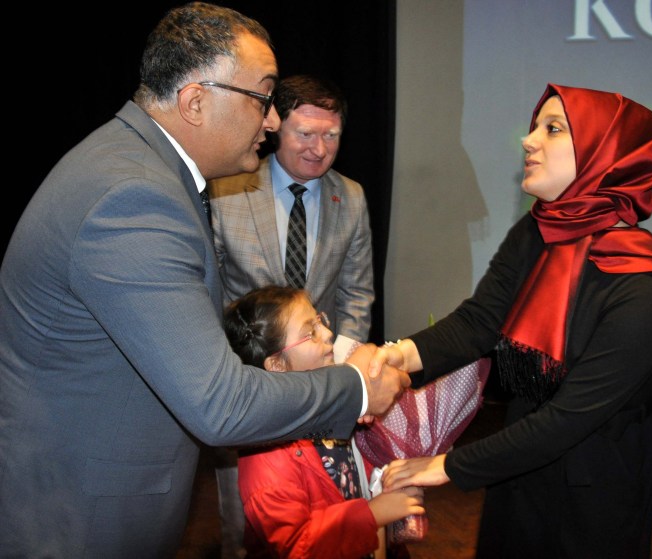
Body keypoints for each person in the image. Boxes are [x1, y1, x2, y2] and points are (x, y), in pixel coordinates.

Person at [0, 3, 410, 558]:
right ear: (196, 101)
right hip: (80, 519)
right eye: (263, 98)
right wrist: (356, 386)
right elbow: (221, 404)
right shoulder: (133, 198)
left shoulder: (136, 168)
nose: (272, 122)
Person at [373, 84, 652, 558]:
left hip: (593, 492)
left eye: (553, 129)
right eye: (535, 127)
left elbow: (570, 418)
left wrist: (442, 466)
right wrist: (392, 356)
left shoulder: (648, 287)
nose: (528, 140)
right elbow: (479, 322)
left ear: (604, 152)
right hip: (517, 466)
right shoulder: (536, 231)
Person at [208, 73, 376, 556]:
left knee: (319, 505)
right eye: (305, 133)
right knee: (244, 512)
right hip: (246, 381)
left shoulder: (351, 196)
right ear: (276, 126)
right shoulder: (227, 189)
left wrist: (341, 372)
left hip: (321, 374)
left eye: (331, 136)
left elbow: (357, 293)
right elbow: (208, 290)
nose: (319, 149)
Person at [223, 285, 423, 559]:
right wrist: (374, 513)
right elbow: (297, 546)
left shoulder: (338, 406)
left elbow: (359, 469)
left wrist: (387, 480)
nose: (328, 333)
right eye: (310, 333)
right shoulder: (264, 459)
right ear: (277, 365)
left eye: (321, 321)